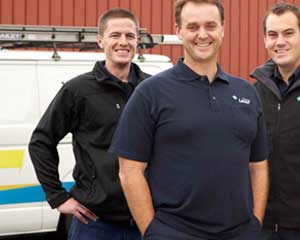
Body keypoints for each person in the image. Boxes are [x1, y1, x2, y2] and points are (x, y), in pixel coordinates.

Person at [109, 0, 269, 239]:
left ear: (223, 30)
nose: (202, 35)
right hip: (175, 232)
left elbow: (258, 166)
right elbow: (129, 171)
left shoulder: (247, 92)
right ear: (178, 31)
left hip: (241, 233)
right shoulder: (150, 92)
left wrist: (255, 224)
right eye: (193, 27)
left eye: (210, 26)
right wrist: (152, 231)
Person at [28, 8, 150, 240]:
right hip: (95, 224)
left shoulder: (152, 90)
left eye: (130, 36)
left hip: (146, 221)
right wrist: (58, 197)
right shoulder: (78, 91)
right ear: (100, 40)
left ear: (137, 41)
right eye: (115, 35)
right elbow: (40, 142)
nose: (123, 42)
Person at [251, 3, 300, 240]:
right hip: (263, 226)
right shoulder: (253, 94)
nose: (280, 42)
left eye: (288, 33)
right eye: (272, 35)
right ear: (265, 41)